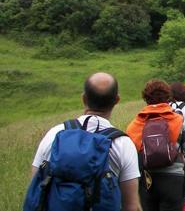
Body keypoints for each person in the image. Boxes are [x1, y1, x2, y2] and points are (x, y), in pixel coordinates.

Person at [27, 72, 141, 211]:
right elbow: (131, 206)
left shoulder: (55, 134)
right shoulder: (123, 143)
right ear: (117, 100)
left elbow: (35, 186)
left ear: (84, 98)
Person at [126, 80, 185, 211]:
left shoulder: (135, 124)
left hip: (147, 183)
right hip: (174, 181)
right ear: (167, 97)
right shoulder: (178, 120)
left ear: (146, 98)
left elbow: (129, 160)